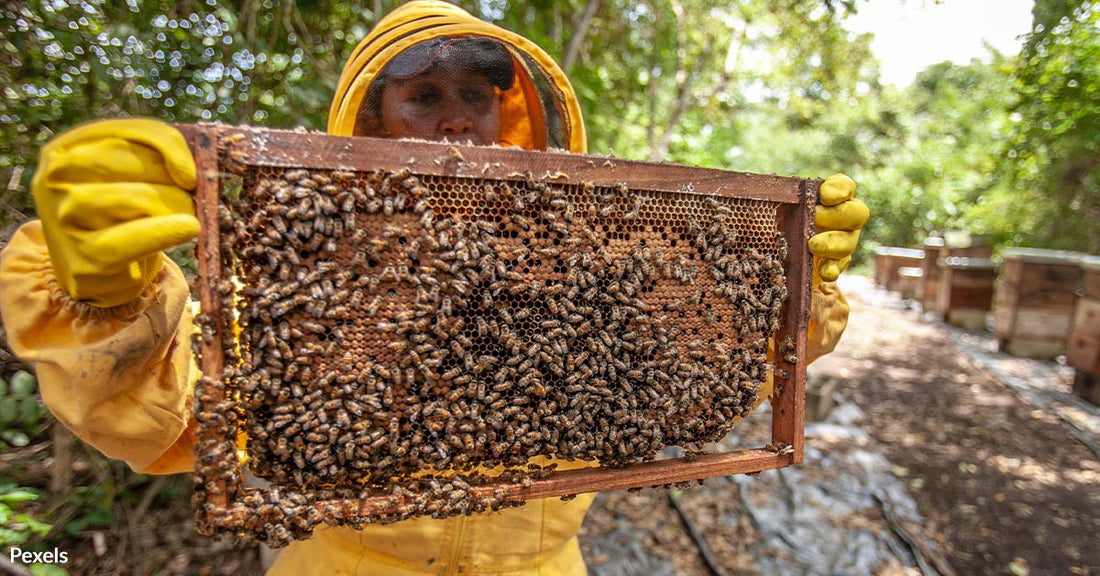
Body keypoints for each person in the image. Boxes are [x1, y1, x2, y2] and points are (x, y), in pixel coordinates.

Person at [0, 1, 868, 574]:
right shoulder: (313, 269)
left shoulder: (602, 253)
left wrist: (789, 291)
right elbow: (175, 418)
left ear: (512, 114)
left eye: (476, 97)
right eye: (423, 96)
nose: (457, 119)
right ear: (371, 117)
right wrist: (105, 298)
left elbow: (695, 382)